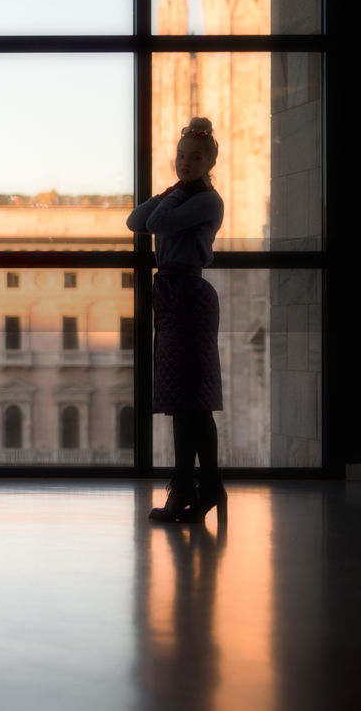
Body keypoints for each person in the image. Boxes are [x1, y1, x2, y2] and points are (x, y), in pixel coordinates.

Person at [126, 117, 226, 523]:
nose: (185, 163)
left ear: (209, 161)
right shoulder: (185, 195)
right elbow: (135, 221)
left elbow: (154, 223)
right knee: (180, 401)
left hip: (188, 297)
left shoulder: (206, 200)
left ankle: (196, 487)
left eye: (195, 157)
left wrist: (174, 192)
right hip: (171, 298)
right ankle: (195, 488)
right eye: (181, 156)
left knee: (193, 402)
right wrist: (173, 190)